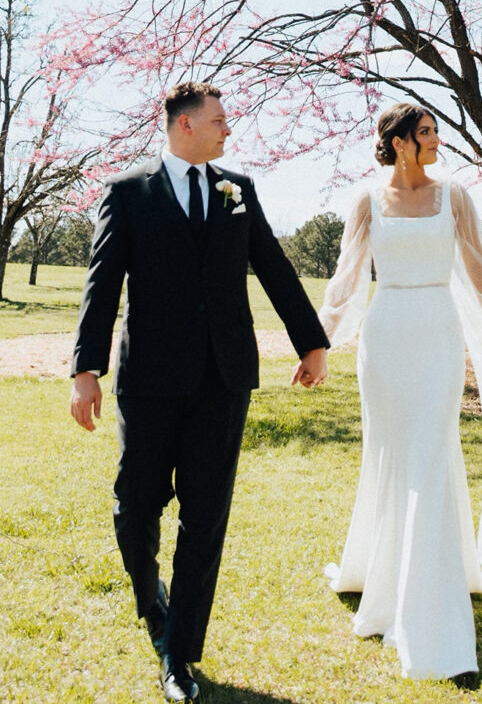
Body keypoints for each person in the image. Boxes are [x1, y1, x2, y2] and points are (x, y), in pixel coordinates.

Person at [70, 82, 330, 702]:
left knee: (205, 518)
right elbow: (101, 284)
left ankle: (180, 657)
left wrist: (310, 342)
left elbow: (272, 264)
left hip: (224, 377)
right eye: (219, 120)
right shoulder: (127, 193)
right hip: (150, 381)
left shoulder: (238, 190)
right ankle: (147, 593)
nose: (227, 130)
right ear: (185, 126)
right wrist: (86, 370)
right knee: (136, 505)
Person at [313, 103, 482, 680]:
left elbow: (480, 269)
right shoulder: (365, 201)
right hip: (385, 339)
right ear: (399, 142)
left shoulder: (453, 196)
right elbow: (347, 280)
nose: (435, 140)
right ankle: (384, 576)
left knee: (432, 456)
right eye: (426, 132)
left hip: (437, 333)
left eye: (433, 131)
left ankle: (434, 612)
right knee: (391, 455)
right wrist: (320, 344)